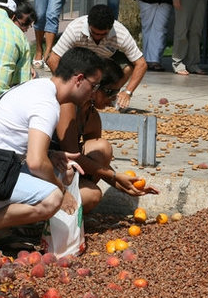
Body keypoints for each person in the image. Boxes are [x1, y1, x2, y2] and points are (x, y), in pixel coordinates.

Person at [0, 47, 104, 250]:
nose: (94, 93)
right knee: (52, 198)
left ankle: (2, 230)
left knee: (58, 170)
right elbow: (36, 162)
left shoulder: (39, 87)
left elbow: (22, 147)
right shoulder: (46, 104)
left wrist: (51, 155)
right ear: (79, 79)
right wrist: (61, 190)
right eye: (95, 85)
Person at [55, 59, 159, 212]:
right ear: (94, 88)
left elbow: (98, 165)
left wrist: (124, 185)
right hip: (48, 170)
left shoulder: (92, 117)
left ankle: (65, 216)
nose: (113, 99)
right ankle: (44, 217)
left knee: (102, 149)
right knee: (93, 195)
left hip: (66, 172)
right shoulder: (68, 106)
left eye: (117, 92)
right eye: (110, 92)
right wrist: (115, 176)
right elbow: (73, 156)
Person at [46, 4, 147, 111]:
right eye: (94, 33)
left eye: (103, 34)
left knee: (128, 67)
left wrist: (128, 92)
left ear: (111, 28)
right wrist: (67, 85)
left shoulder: (121, 33)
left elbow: (141, 64)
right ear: (88, 24)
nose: (97, 37)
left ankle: (108, 96)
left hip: (105, 61)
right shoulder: (75, 29)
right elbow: (53, 59)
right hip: (81, 62)